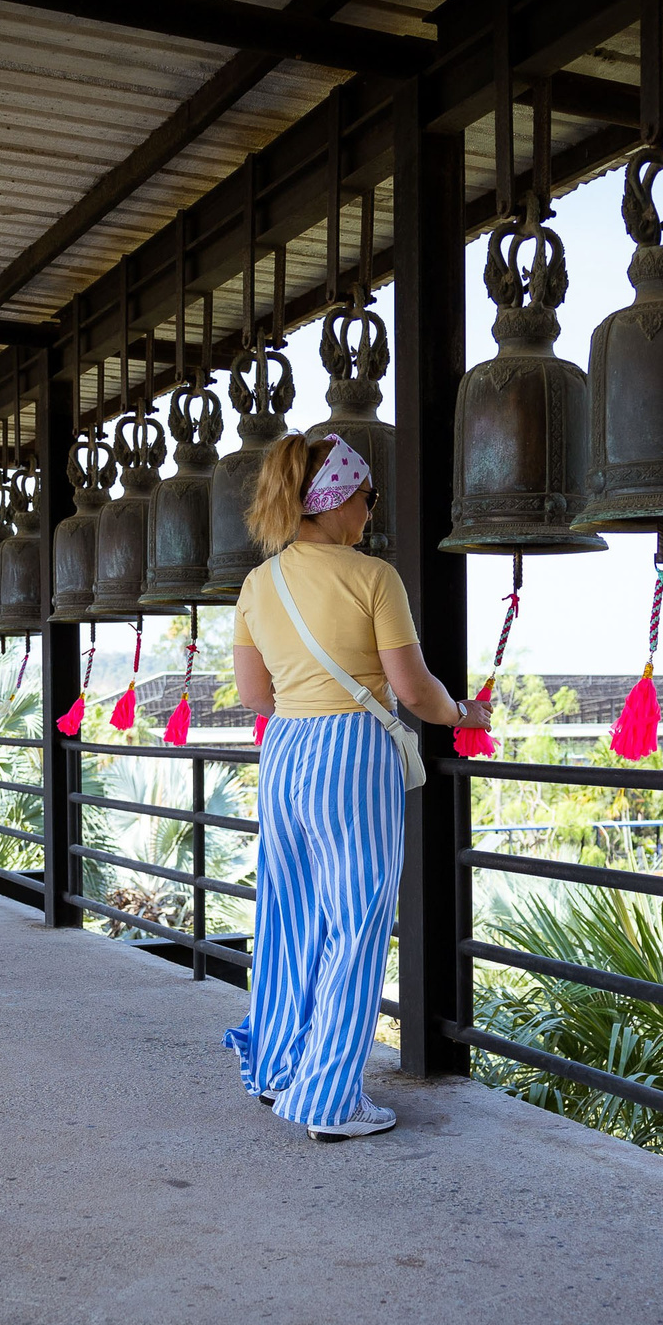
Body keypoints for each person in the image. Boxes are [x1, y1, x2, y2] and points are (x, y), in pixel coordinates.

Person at [224, 434, 490, 1143]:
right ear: (338, 498)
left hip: (284, 754)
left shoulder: (258, 584)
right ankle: (331, 1099)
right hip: (351, 753)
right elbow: (413, 690)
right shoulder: (374, 579)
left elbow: (257, 696)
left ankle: (280, 1066)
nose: (372, 513)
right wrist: (465, 713)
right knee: (357, 919)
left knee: (289, 915)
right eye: (368, 498)